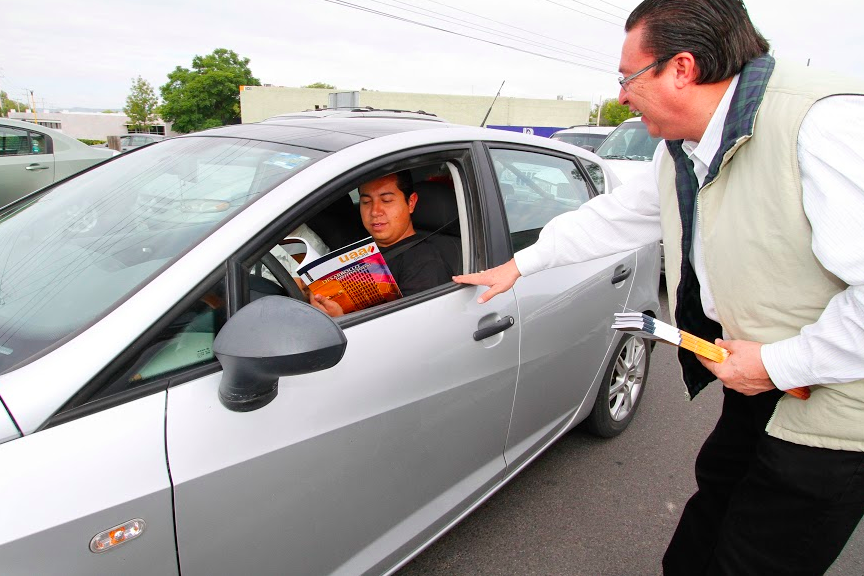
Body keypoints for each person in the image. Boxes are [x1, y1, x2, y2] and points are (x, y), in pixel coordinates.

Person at [454, 0, 864, 574]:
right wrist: (521, 264)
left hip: (830, 404)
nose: (622, 95)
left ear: (682, 69)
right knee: (706, 526)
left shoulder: (821, 124)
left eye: (627, 77)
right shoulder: (688, 147)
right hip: (760, 381)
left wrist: (780, 364)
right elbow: (618, 216)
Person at [311, 171, 452, 316]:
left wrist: (342, 320)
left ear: (411, 202)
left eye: (386, 200)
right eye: (366, 202)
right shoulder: (357, 248)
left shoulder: (426, 266)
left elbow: (413, 332)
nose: (374, 211)